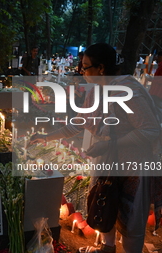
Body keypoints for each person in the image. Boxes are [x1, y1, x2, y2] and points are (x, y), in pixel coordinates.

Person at [30, 43, 162, 253]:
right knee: (105, 206)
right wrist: (46, 137)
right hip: (108, 161)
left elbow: (150, 130)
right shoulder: (97, 91)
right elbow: (78, 123)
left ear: (101, 68)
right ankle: (106, 248)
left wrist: (110, 144)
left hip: (132, 167)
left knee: (131, 223)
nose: (81, 71)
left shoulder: (127, 91)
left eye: (86, 66)